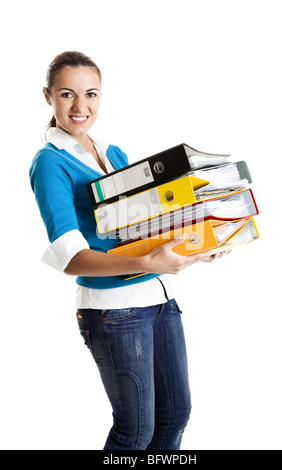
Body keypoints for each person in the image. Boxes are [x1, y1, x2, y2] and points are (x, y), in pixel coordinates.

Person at [29, 51, 227, 450]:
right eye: (67, 94)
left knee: (175, 415)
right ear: (48, 96)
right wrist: (149, 261)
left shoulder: (114, 153)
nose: (80, 106)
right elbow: (71, 259)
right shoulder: (50, 163)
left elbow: (143, 224)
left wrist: (196, 242)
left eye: (91, 94)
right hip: (114, 311)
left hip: (159, 299)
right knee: (134, 432)